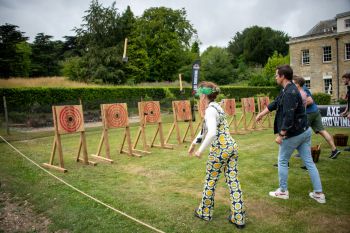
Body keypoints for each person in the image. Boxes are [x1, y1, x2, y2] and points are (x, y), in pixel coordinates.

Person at [256, 64, 326, 204]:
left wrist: (281, 135)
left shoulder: (289, 92)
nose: (275, 77)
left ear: (282, 76)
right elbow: (276, 103)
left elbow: (289, 116)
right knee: (309, 162)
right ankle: (319, 193)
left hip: (294, 134)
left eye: (276, 75)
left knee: (282, 160)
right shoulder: (288, 89)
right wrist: (261, 114)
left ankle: (282, 191)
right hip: (304, 132)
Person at [188, 81, 246, 229]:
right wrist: (194, 143)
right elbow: (205, 130)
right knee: (233, 181)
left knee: (210, 180)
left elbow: (212, 132)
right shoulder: (217, 107)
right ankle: (238, 218)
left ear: (203, 96)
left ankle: (205, 212)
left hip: (220, 149)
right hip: (232, 147)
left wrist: (200, 150)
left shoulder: (210, 110)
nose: (199, 97)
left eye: (200, 94)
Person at [303, 84, 341, 159]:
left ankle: (304, 152)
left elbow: (310, 100)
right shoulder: (302, 86)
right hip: (315, 111)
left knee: (303, 132)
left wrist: (299, 106)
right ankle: (334, 150)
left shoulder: (300, 87)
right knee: (322, 131)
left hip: (308, 113)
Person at [340, 72, 350, 151]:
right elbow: (348, 101)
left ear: (348, 79)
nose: (343, 81)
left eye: (344, 79)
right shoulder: (348, 88)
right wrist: (346, 111)